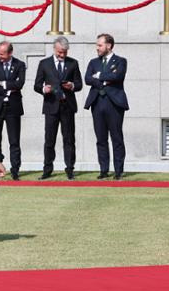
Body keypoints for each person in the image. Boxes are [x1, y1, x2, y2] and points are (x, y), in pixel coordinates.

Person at [34, 37, 83, 181]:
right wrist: (44, 89)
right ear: (55, 49)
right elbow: (37, 85)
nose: (62, 55)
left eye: (65, 52)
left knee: (69, 139)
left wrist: (72, 86)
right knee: (49, 140)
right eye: (60, 52)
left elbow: (79, 84)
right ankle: (47, 169)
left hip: (67, 106)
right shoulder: (44, 64)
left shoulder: (73, 63)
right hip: (51, 106)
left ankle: (70, 169)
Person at [84, 34, 129, 180]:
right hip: (97, 102)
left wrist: (99, 76)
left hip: (114, 103)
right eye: (97, 45)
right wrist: (103, 78)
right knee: (101, 138)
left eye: (100, 45)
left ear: (108, 45)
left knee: (116, 137)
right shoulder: (93, 62)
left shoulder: (121, 61)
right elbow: (87, 79)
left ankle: (118, 170)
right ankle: (104, 169)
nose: (97, 48)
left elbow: (117, 77)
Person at [0, 41, 25, 181]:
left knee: (14, 140)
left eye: (2, 54)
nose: (0, 56)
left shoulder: (19, 65)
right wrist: (9, 86)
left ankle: (15, 170)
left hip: (13, 107)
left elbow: (20, 84)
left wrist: (2, 83)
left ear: (10, 53)